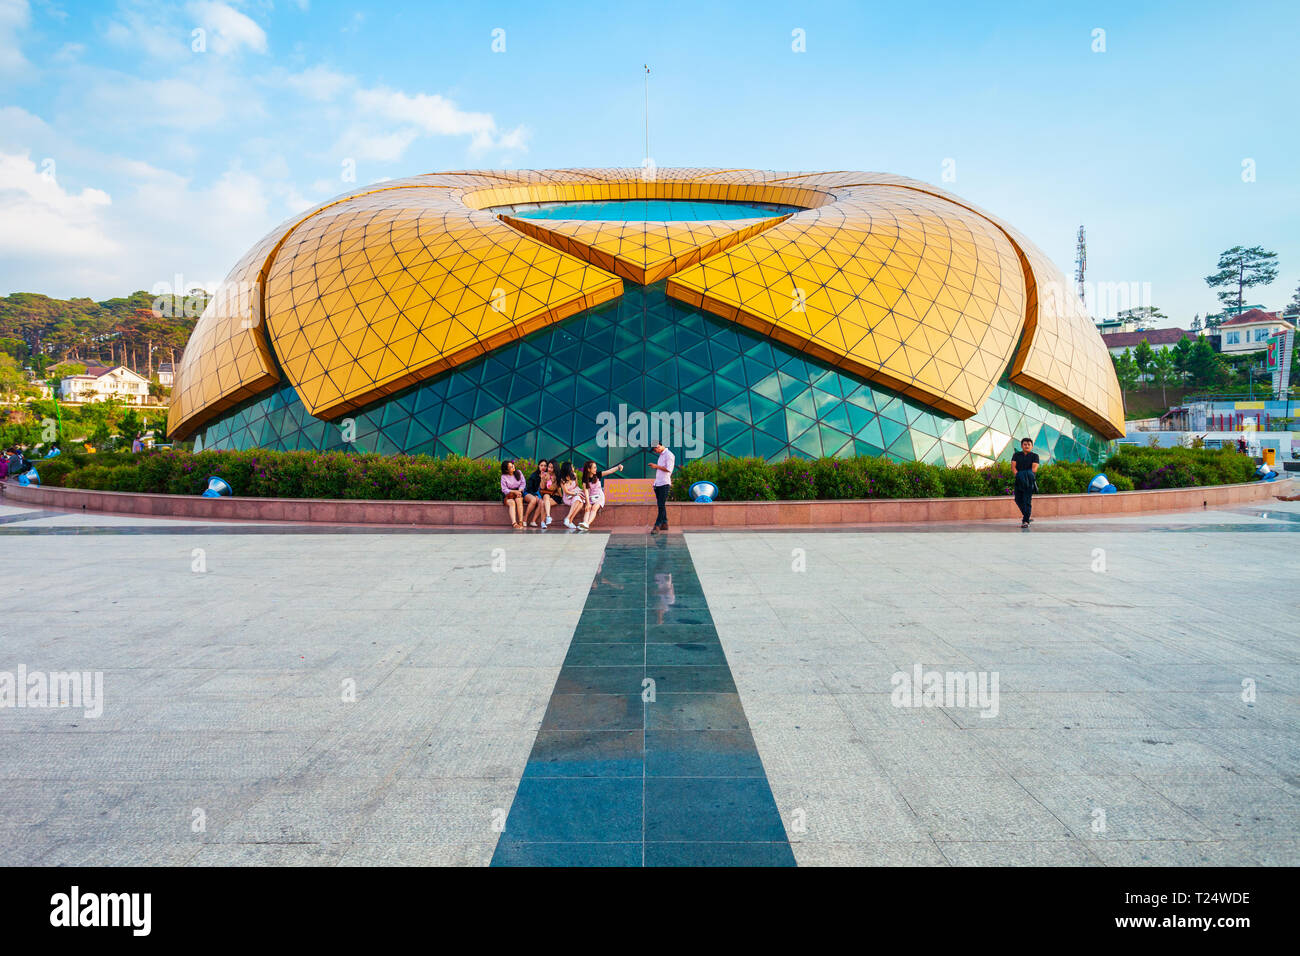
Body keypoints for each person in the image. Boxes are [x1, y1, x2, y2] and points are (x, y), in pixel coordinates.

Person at [578, 460, 624, 530]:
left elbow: (610, 471)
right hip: (590, 497)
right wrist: (587, 503)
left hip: (599, 497)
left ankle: (587, 524)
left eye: (595, 467)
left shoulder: (598, 475)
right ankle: (584, 523)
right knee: (587, 508)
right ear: (588, 469)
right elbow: (586, 492)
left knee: (594, 508)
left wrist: (618, 467)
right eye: (594, 468)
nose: (596, 469)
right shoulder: (585, 479)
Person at [1011, 437, 1040, 528]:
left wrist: (1023, 474)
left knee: (1027, 501)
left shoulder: (1035, 456)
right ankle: (1027, 515)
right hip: (1019, 481)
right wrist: (1018, 476)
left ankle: (1025, 521)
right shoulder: (1016, 455)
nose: (1026, 446)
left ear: (1032, 446)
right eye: (1025, 444)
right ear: (1021, 446)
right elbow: (1013, 467)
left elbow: (1034, 469)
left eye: (1028, 444)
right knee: (1018, 499)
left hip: (1029, 482)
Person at [649, 440, 675, 533]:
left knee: (661, 505)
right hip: (658, 483)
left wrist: (656, 466)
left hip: (665, 483)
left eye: (655, 449)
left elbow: (669, 469)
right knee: (661, 505)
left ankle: (657, 525)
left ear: (658, 446)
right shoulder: (661, 456)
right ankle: (665, 523)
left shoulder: (669, 455)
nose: (655, 451)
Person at [557, 461, 587, 529]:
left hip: (574, 493)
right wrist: (576, 493)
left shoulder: (574, 475)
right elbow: (566, 492)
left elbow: (576, 486)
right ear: (568, 468)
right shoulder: (562, 479)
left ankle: (570, 520)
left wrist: (581, 491)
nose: (573, 468)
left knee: (581, 503)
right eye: (572, 467)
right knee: (578, 498)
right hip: (567, 497)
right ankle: (567, 518)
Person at [499, 459, 527, 529]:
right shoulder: (504, 477)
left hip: (519, 491)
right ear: (506, 470)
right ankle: (514, 523)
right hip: (508, 495)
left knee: (519, 500)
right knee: (512, 503)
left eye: (512, 465)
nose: (513, 467)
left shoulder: (519, 472)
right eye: (511, 467)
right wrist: (514, 492)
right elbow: (504, 489)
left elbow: (523, 483)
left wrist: (519, 491)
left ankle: (520, 522)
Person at [522, 458, 549, 528]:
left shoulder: (547, 476)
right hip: (529, 493)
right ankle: (525, 518)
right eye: (541, 465)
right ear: (538, 466)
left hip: (540, 495)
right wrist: (535, 495)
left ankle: (533, 521)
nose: (543, 467)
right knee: (533, 500)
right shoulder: (534, 475)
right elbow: (530, 487)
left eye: (545, 466)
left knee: (542, 503)